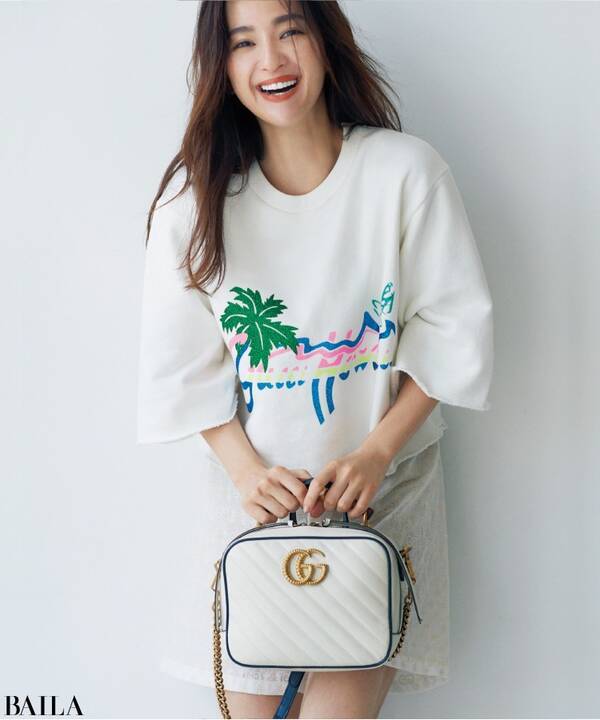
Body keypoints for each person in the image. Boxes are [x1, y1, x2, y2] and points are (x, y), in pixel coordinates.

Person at [136, 1, 494, 717]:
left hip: (381, 502)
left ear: (326, 40)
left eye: (290, 30)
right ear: (222, 66)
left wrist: (377, 453)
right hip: (250, 509)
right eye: (244, 42)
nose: (271, 60)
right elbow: (183, 367)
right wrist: (247, 473)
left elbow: (451, 330)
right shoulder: (195, 203)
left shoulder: (404, 174)